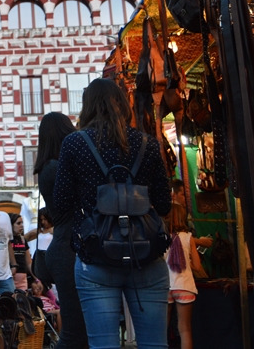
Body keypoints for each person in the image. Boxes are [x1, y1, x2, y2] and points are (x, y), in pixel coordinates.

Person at [55, 78, 171, 349]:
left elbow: (60, 203)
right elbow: (164, 205)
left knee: (103, 345)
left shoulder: (74, 144)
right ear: (122, 104)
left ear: (87, 108)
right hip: (146, 254)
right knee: (155, 344)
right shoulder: (148, 144)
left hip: (96, 256)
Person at [34, 111, 86, 349]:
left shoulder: (49, 167)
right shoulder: (55, 168)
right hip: (67, 249)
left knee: (77, 330)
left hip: (63, 247)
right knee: (76, 332)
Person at [166, 203, 199, 349]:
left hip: (166, 286)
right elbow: (197, 267)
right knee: (185, 329)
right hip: (185, 286)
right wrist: (184, 262)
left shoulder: (162, 238)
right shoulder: (189, 238)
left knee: (162, 329)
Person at [170, 179, 213, 250]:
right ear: (174, 195)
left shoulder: (183, 212)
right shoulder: (172, 213)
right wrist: (199, 242)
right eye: (183, 195)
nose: (185, 199)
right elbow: (177, 238)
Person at [30, 208, 54, 288]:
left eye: (45, 219)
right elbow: (25, 238)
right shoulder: (39, 230)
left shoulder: (54, 230)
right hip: (40, 258)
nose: (44, 222)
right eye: (41, 220)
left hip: (50, 257)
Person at [8, 213, 33, 290]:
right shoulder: (7, 240)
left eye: (22, 223)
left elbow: (29, 263)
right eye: (18, 223)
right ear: (11, 225)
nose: (21, 225)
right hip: (10, 277)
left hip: (23, 278)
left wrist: (36, 278)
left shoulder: (22, 239)